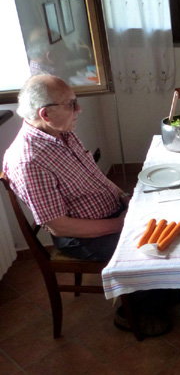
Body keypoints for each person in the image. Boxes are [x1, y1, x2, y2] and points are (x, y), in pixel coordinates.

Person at [3, 74, 129, 262]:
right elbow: (59, 226)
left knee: (165, 218)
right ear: (45, 114)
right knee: (152, 252)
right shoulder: (28, 161)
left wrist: (125, 197)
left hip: (113, 214)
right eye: (71, 104)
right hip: (83, 238)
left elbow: (96, 176)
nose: (79, 109)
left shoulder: (63, 133)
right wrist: (119, 224)